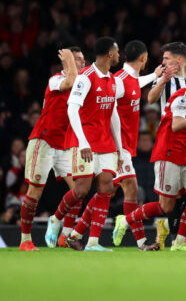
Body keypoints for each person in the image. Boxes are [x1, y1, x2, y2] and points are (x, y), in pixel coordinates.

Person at [113, 61, 186, 251]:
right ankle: (125, 220)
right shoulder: (183, 97)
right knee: (166, 207)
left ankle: (178, 242)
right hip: (169, 153)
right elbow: (176, 125)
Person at [46, 37, 123, 251]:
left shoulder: (113, 79)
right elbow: (72, 108)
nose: (119, 55)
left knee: (107, 187)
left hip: (105, 141)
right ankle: (56, 219)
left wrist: (120, 145)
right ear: (109, 53)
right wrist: (82, 142)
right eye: (117, 51)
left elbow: (113, 113)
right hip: (84, 140)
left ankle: (93, 242)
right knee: (81, 190)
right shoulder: (85, 77)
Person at [19, 48, 83, 251]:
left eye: (83, 60)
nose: (82, 63)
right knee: (35, 191)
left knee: (79, 190)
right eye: (77, 60)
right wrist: (69, 62)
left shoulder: (83, 84)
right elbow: (70, 81)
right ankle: (25, 239)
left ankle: (65, 235)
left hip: (64, 145)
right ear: (67, 62)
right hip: (43, 141)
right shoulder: (55, 80)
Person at [111, 40, 162, 250]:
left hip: (124, 145)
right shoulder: (120, 80)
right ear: (144, 58)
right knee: (123, 189)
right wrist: (115, 144)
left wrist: (156, 76)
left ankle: (140, 242)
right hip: (116, 145)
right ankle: (76, 232)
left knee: (117, 190)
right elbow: (108, 109)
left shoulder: (129, 79)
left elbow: (136, 83)